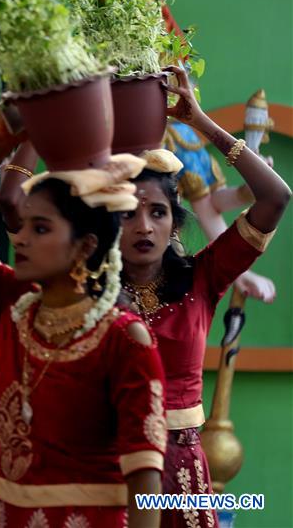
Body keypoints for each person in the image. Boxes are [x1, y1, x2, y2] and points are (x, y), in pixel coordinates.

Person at [0, 118, 168, 528]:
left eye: (41, 228)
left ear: (84, 246)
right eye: (25, 225)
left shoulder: (125, 339)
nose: (21, 238)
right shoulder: (13, 304)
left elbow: (145, 482)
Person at [119, 66, 290, 528]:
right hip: (109, 472)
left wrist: (201, 123)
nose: (144, 226)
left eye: (157, 213)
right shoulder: (93, 290)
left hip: (181, 477)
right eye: (129, 214)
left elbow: (275, 198)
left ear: (175, 224)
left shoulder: (202, 277)